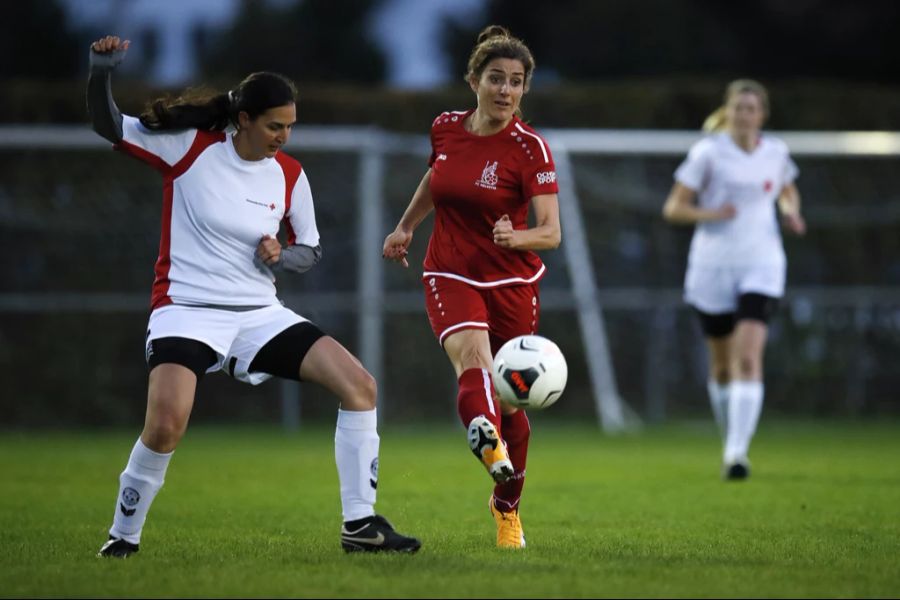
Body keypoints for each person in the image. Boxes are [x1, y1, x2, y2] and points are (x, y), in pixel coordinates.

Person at [87, 35, 420, 557]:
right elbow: (108, 124)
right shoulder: (190, 147)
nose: (283, 137)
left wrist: (281, 256)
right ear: (243, 119)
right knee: (166, 425)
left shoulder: (289, 174)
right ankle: (123, 538)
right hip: (186, 312)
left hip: (259, 315)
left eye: (290, 126)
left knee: (360, 385)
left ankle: (360, 526)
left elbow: (309, 249)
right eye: (274, 125)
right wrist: (99, 71)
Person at [382, 25, 560, 548]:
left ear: (525, 90)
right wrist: (407, 225)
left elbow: (550, 233)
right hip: (449, 269)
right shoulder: (444, 128)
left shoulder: (531, 150)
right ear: (473, 81)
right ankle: (483, 437)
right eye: (496, 79)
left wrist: (515, 234)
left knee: (513, 407)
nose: (506, 90)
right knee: (473, 357)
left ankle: (507, 506)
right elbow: (437, 178)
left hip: (512, 280)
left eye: (517, 82)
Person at [662, 79, 806, 480]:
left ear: (763, 114)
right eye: (739, 108)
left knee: (748, 357)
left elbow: (787, 191)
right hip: (712, 268)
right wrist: (711, 214)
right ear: (729, 112)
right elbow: (674, 208)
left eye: (752, 108)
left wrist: (791, 210)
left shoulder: (776, 153)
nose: (746, 115)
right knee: (723, 367)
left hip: (761, 265)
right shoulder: (708, 153)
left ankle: (737, 454)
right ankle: (732, 442)